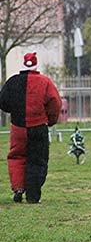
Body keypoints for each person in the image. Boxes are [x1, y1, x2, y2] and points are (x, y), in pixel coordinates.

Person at [0, 52, 62, 203]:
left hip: (18, 127)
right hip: (38, 126)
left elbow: (3, 102)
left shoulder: (13, 81)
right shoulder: (45, 82)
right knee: (37, 160)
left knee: (16, 157)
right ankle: (33, 196)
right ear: (36, 64)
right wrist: (51, 120)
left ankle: (18, 188)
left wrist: (14, 110)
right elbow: (55, 103)